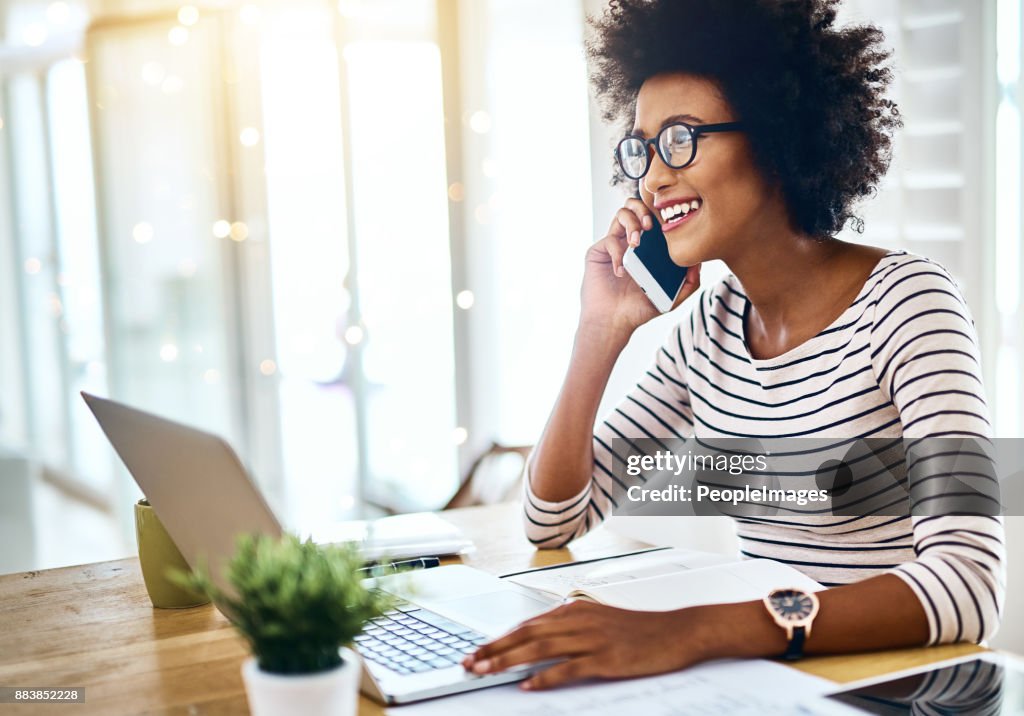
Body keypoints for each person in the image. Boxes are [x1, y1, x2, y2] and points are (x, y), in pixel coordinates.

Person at [462, 0, 1005, 690]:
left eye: (682, 138)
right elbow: (552, 519)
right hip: (771, 686)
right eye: (643, 148)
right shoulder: (710, 327)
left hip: (892, 692)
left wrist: (695, 630)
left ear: (778, 139)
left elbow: (968, 586)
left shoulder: (910, 303)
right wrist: (599, 333)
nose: (653, 177)